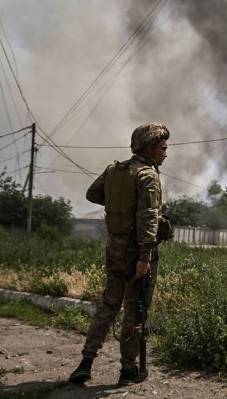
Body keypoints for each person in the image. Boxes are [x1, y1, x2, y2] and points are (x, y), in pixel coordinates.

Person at [69, 123, 170, 386]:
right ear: (149, 148)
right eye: (163, 148)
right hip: (137, 252)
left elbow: (92, 194)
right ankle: (128, 370)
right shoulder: (148, 176)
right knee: (134, 311)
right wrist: (145, 258)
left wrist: (120, 202)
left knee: (108, 305)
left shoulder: (114, 170)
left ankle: (86, 362)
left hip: (114, 249)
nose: (165, 154)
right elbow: (149, 219)